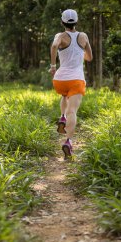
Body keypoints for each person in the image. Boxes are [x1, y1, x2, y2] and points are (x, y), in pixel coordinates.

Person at [50, 9, 93, 159]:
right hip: (76, 79)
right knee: (73, 111)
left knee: (64, 95)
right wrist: (80, 53)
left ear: (62, 22)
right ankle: (68, 141)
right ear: (76, 21)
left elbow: (54, 46)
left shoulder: (60, 36)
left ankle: (62, 117)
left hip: (60, 79)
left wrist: (53, 65)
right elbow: (89, 57)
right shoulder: (83, 36)